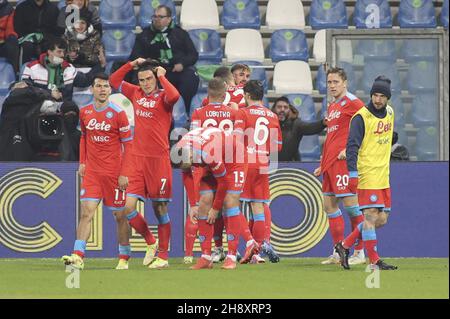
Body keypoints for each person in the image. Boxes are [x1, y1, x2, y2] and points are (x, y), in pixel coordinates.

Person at [110, 58, 180, 269]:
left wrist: (162, 76)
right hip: (136, 161)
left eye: (149, 79)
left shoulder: (164, 97)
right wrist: (131, 64)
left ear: (155, 78)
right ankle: (151, 242)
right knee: (127, 208)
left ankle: (164, 258)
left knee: (160, 209)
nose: (145, 83)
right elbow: (114, 80)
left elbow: (175, 95)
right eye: (142, 80)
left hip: (158, 160)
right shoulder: (135, 94)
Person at [61, 73, 133, 270]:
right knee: (86, 213)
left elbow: (129, 146)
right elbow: (84, 137)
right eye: (99, 86)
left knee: (120, 216)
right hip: (92, 172)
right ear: (92, 89)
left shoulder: (119, 113)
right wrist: (82, 162)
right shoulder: (84, 113)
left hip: (114, 174)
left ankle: (124, 256)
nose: (103, 89)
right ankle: (78, 255)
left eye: (106, 86)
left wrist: (124, 173)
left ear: (110, 90)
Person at [334, 76, 398, 271]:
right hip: (367, 174)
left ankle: (344, 246)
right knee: (370, 217)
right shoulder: (361, 117)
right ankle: (374, 261)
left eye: (382, 96)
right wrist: (353, 174)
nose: (377, 99)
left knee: (382, 219)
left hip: (383, 175)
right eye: (375, 95)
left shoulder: (390, 112)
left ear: (388, 98)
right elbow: (351, 148)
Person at [174, 127, 259, 270]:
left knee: (229, 202)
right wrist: (193, 204)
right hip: (213, 157)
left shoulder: (208, 154)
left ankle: (231, 257)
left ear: (191, 156)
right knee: (203, 203)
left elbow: (223, 182)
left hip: (234, 160)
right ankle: (206, 258)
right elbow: (186, 174)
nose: (191, 167)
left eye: (190, 164)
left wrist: (215, 208)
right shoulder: (181, 149)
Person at [313, 67, 366, 266]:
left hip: (344, 163)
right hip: (330, 164)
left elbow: (367, 127)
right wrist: (322, 162)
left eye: (336, 82)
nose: (332, 86)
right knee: (329, 206)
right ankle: (338, 252)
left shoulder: (354, 102)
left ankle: (360, 252)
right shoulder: (333, 107)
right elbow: (331, 137)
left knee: (353, 209)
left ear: (345, 83)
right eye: (329, 82)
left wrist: (350, 149)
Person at [183, 77, 238, 264]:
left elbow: (194, 138)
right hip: (229, 162)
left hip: (206, 163)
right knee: (229, 204)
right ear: (224, 95)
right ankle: (230, 255)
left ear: (208, 94)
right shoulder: (233, 112)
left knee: (205, 203)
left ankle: (206, 254)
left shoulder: (198, 113)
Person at [235, 80, 283, 264]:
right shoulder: (272, 115)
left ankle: (251, 244)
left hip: (246, 163)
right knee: (259, 207)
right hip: (264, 163)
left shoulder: (243, 112)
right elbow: (277, 146)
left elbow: (237, 140)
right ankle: (258, 251)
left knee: (231, 205)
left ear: (247, 96)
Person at [130, 5, 199, 114]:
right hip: (155, 71)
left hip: (176, 70)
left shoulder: (180, 33)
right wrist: (147, 63)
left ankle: (185, 111)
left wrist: (182, 64)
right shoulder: (145, 35)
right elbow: (135, 56)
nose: (157, 19)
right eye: (155, 16)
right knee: (144, 79)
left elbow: (193, 55)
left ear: (169, 19)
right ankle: (154, 112)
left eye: (160, 17)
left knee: (190, 78)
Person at [21, 37, 104, 106]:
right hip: (39, 109)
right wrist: (49, 93)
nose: (62, 55)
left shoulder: (68, 68)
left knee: (71, 109)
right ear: (49, 52)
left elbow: (85, 81)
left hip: (63, 111)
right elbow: (26, 90)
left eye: (64, 52)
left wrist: (101, 65)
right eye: (59, 52)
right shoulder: (32, 68)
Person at [271, 96, 327, 161]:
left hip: (292, 165)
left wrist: (322, 123)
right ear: (274, 109)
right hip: (272, 165)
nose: (282, 110)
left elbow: (311, 127)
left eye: (285, 107)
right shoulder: (268, 123)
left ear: (289, 110)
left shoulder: (296, 124)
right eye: (279, 107)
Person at [13, 0, 62, 65]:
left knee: (53, 46)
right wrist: (32, 37)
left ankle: (52, 70)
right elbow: (18, 28)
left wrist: (44, 37)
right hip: (27, 39)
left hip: (47, 38)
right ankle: (25, 70)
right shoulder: (21, 7)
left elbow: (57, 30)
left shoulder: (53, 9)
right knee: (27, 46)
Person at [0, 0, 19, 74]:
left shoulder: (8, 9)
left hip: (2, 44)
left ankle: (14, 75)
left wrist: (11, 36)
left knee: (12, 40)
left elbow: (10, 29)